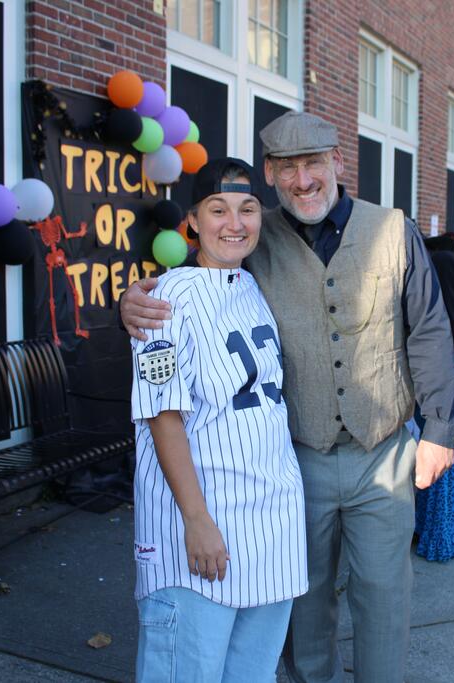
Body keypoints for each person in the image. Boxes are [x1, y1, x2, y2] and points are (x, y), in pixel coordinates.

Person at [120, 111, 454, 683]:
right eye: (287, 168)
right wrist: (131, 303)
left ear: (337, 162)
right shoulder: (257, 234)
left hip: (381, 451)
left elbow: (429, 328)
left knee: (384, 597)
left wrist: (439, 429)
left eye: (313, 164)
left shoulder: (392, 229)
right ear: (271, 174)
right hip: (298, 457)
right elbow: (195, 284)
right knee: (303, 607)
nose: (303, 181)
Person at [130, 159, 307, 681]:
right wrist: (196, 519)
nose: (234, 223)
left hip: (272, 527)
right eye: (218, 209)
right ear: (192, 220)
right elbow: (163, 416)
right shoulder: (165, 300)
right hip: (200, 527)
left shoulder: (256, 286)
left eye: (247, 209)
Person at [415, 252, 454, 561]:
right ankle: (450, 539)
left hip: (425, 403)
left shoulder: (421, 313)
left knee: (424, 473)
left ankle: (421, 531)